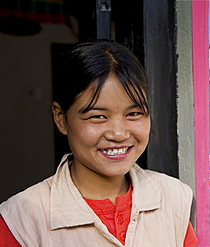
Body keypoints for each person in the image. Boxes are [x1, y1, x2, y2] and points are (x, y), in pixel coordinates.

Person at [0, 40, 198, 246]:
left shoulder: (172, 197)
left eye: (134, 114)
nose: (119, 133)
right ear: (61, 118)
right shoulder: (22, 217)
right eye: (98, 117)